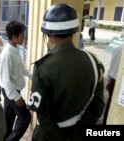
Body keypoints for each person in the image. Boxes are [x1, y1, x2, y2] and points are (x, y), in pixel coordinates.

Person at [27, 4, 105, 141]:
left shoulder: (43, 67)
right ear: (75, 31)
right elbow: (98, 105)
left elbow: (43, 116)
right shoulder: (94, 62)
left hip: (48, 137)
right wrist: (78, 134)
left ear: (48, 35)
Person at [0, 20, 32, 141]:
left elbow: (22, 67)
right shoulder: (7, 54)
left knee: (8, 120)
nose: (24, 37)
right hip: (10, 91)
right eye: (22, 35)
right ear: (14, 37)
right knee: (25, 117)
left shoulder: (15, 49)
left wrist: (33, 76)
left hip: (12, 90)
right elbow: (5, 79)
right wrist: (16, 96)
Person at [103, 44, 124, 125]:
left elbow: (112, 67)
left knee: (110, 103)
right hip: (119, 82)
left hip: (113, 80)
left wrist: (109, 80)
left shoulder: (118, 48)